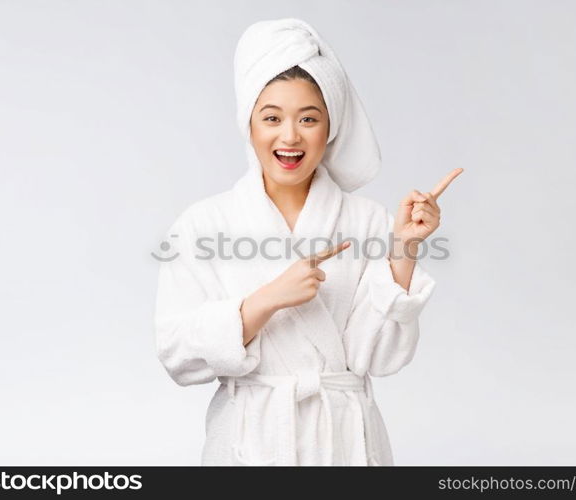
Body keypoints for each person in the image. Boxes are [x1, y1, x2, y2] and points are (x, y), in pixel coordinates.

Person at [154, 18, 462, 466]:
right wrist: (263, 302)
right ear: (250, 124)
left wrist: (403, 250)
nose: (290, 136)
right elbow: (176, 355)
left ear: (330, 128)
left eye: (308, 119)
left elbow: (376, 357)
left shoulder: (368, 221)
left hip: (345, 445)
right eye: (272, 118)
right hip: (248, 444)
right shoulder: (203, 225)